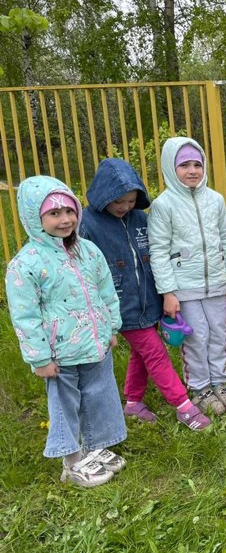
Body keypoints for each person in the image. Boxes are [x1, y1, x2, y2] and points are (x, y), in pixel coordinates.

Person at [5, 177, 127, 487]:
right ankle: (71, 460)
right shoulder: (26, 264)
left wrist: (111, 326)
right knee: (65, 403)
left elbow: (105, 290)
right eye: (54, 214)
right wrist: (39, 357)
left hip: (95, 344)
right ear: (36, 218)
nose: (65, 220)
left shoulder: (87, 251)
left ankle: (96, 447)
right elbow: (25, 315)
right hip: (59, 353)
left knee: (100, 395)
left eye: (69, 211)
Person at [80, 158, 211, 430]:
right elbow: (83, 270)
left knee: (141, 353)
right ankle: (183, 405)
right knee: (155, 352)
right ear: (103, 195)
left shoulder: (140, 218)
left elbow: (157, 255)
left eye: (130, 201)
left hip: (148, 301)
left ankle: (133, 402)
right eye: (119, 201)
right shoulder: (88, 223)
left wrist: (165, 294)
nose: (125, 207)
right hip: (119, 304)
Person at [148, 137, 226, 415]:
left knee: (218, 333)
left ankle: (220, 383)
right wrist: (168, 292)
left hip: (215, 283)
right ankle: (200, 387)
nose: (192, 171)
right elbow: (158, 251)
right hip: (183, 287)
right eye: (184, 165)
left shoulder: (215, 200)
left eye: (197, 164)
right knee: (196, 336)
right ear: (170, 167)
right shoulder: (163, 205)